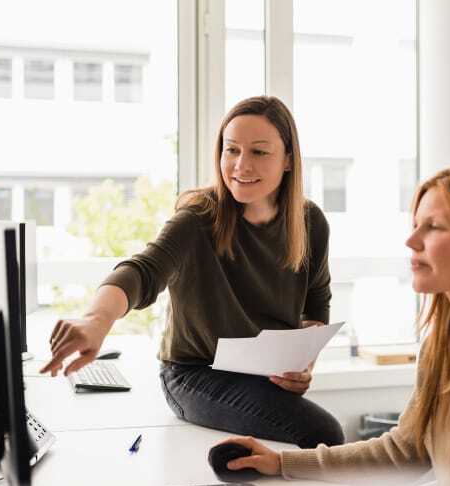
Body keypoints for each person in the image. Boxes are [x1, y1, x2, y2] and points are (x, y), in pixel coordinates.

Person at [219, 164, 450, 486]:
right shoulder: (446, 338)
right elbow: (406, 448)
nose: (411, 241)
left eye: (435, 227)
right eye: (415, 226)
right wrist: (282, 463)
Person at [40, 96, 344, 449]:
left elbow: (316, 303)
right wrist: (95, 321)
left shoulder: (310, 223)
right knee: (325, 433)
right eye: (232, 150)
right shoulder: (200, 217)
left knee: (316, 438)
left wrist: (302, 362)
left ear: (289, 159)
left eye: (259, 152)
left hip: (262, 376)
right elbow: (143, 271)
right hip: (193, 376)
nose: (241, 165)